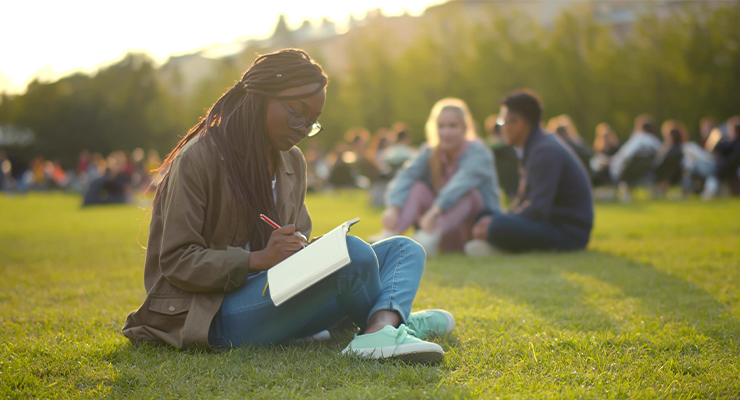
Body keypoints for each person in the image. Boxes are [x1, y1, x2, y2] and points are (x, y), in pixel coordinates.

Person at [122, 49, 453, 364]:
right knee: (357, 254)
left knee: (404, 250)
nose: (304, 129)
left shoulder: (291, 160)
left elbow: (298, 241)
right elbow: (176, 261)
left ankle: (382, 328)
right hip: (213, 313)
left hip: (276, 296)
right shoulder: (199, 158)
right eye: (297, 113)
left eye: (313, 121)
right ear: (261, 98)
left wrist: (302, 250)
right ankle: (391, 322)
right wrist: (257, 259)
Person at [465, 90, 593, 256]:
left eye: (502, 122)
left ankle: (498, 245)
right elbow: (524, 201)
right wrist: (499, 218)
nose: (500, 128)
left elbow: (538, 210)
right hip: (548, 223)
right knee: (483, 215)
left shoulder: (545, 151)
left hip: (567, 232)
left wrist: (498, 222)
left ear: (518, 124)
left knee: (497, 226)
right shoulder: (533, 147)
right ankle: (496, 243)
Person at [372, 98, 502, 256]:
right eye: (441, 126)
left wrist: (435, 211)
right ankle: (392, 234)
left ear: (465, 128)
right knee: (417, 188)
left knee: (469, 193)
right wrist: (394, 207)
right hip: (440, 225)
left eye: (453, 126)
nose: (446, 132)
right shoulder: (430, 152)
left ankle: (430, 238)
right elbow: (406, 176)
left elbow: (461, 183)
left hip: (473, 226)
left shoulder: (478, 152)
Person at [608, 114, 662, 201]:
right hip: (645, 172)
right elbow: (660, 157)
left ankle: (620, 192)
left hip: (627, 172)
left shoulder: (637, 140)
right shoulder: (655, 142)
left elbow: (624, 156)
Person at [589, 122, 621, 186]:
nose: (605, 138)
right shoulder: (597, 149)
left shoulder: (616, 147)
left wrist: (609, 162)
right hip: (601, 170)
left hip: (613, 169)